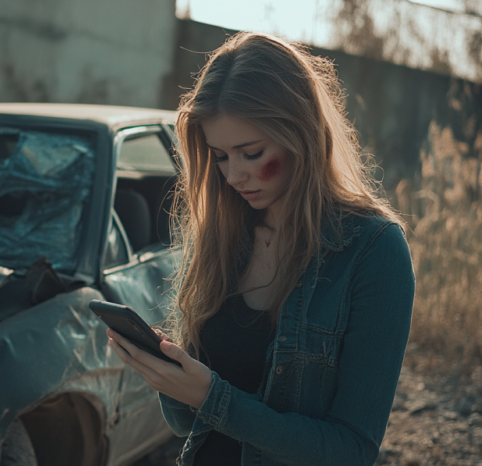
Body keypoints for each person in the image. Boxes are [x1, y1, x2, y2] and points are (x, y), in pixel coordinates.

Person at [106, 32, 415, 465]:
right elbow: (184, 423)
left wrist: (214, 398)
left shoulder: (373, 251)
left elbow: (352, 450)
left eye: (251, 153)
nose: (234, 176)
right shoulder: (223, 232)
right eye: (220, 156)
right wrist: (167, 375)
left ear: (301, 135)